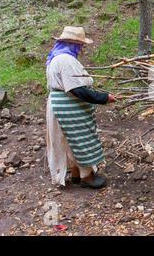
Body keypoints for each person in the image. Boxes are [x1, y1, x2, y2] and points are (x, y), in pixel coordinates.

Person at [45, 26, 117, 189]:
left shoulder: (55, 58)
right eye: (80, 45)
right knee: (80, 139)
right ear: (73, 44)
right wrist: (104, 98)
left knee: (68, 141)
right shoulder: (66, 60)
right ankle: (87, 177)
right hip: (68, 106)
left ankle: (75, 173)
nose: (82, 48)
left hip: (60, 104)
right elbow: (77, 90)